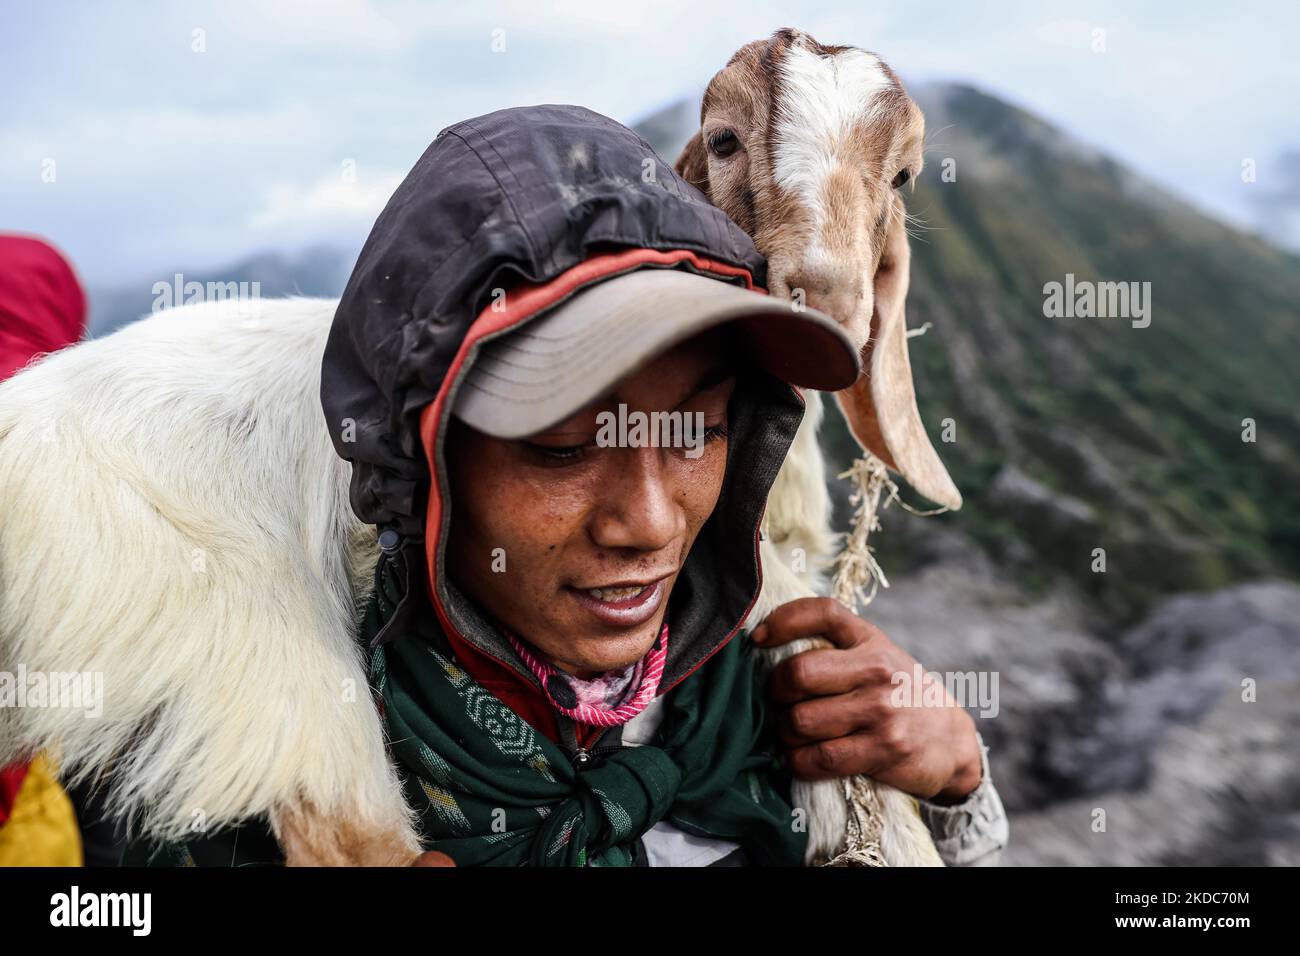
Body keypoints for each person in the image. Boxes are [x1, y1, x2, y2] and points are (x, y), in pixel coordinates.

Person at [125, 105, 1008, 866]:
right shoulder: (246, 779)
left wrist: (956, 790)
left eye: (697, 431)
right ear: (421, 465)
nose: (651, 524)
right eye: (562, 448)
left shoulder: (786, 695)